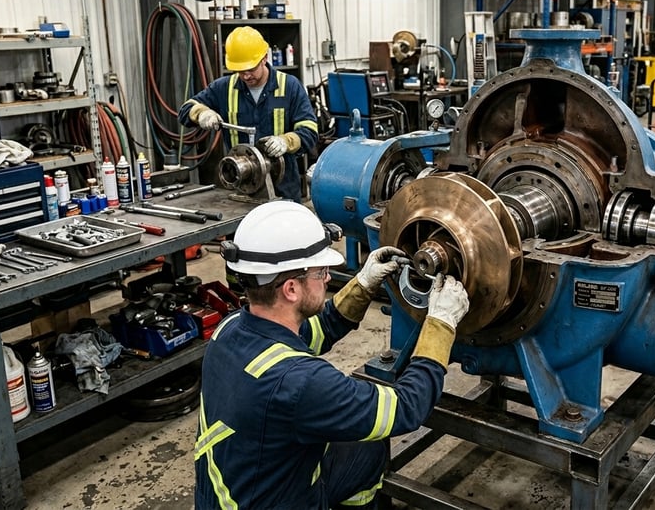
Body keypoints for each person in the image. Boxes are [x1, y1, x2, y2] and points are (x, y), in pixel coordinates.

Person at [194, 201, 470, 509]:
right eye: (321, 271)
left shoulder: (229, 329)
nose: (328, 278)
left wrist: (363, 284)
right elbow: (407, 408)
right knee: (373, 433)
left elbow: (320, 327)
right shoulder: (301, 383)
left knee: (366, 449)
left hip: (233, 491)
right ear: (290, 289)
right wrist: (441, 324)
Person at [178, 26, 318, 202]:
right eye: (239, 70)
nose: (245, 75)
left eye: (250, 68)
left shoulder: (289, 86)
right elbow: (185, 110)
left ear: (264, 58)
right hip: (241, 189)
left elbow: (310, 130)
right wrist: (201, 114)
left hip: (283, 189)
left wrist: (286, 141)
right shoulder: (224, 88)